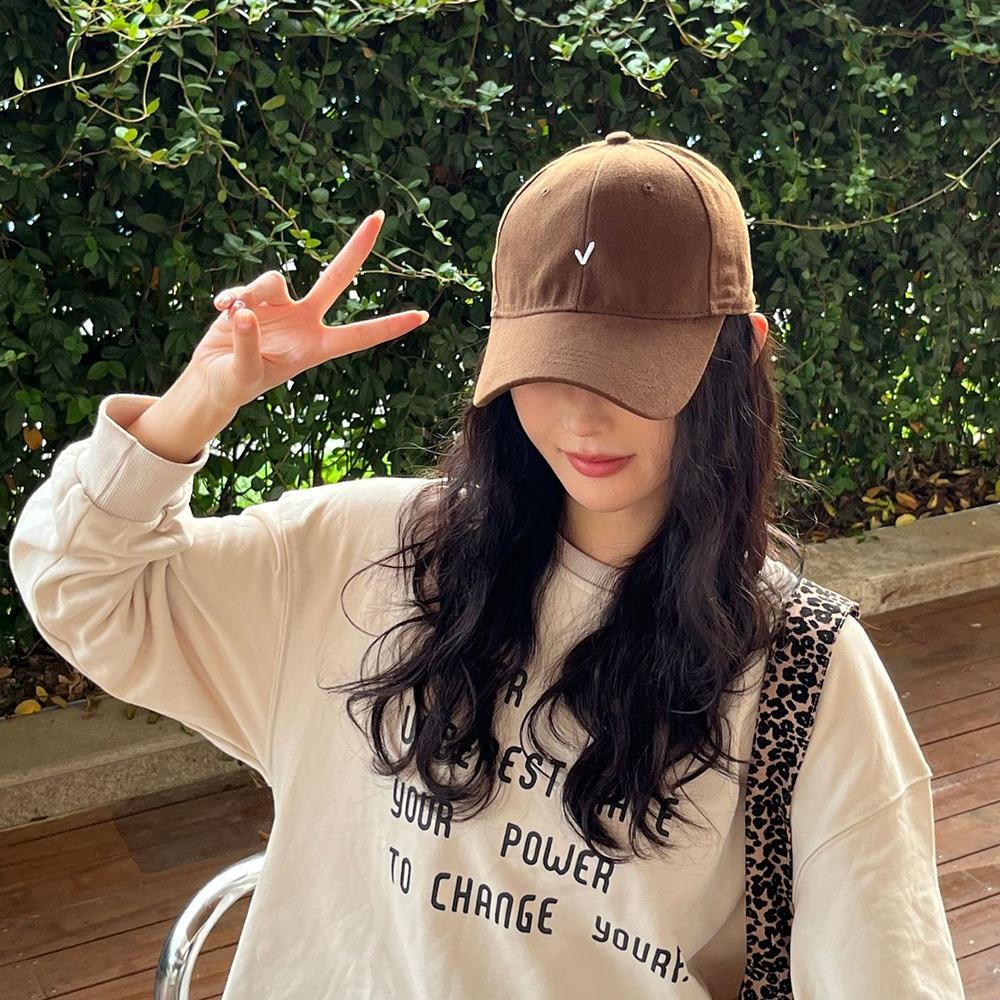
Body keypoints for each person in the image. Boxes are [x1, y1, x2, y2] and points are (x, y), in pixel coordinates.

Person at [9, 134, 965, 999]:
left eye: (634, 368)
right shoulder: (363, 554)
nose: (584, 417)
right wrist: (197, 402)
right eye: (551, 363)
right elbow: (82, 585)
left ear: (739, 352)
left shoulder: (802, 673)